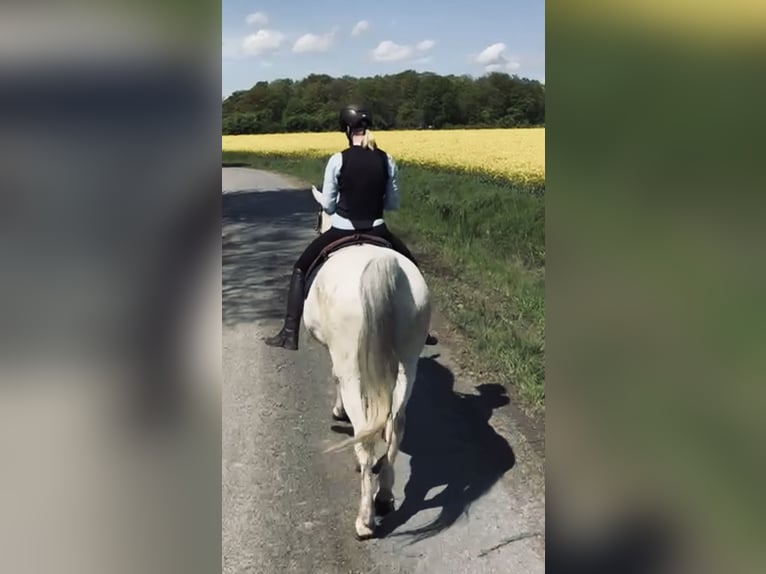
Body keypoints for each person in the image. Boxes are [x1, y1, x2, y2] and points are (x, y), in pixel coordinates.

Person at [264, 104, 435, 350]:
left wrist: (322, 198)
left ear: (346, 129)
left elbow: (330, 208)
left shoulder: (338, 160)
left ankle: (289, 333)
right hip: (378, 229)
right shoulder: (387, 160)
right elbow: (394, 203)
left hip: (342, 230)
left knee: (300, 268)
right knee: (413, 267)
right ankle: (423, 330)